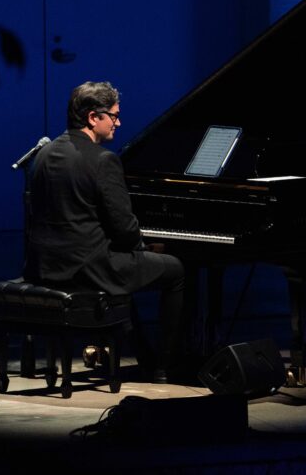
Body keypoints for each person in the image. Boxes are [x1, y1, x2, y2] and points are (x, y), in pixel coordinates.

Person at [24, 81, 186, 383]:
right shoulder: (103, 160)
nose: (119, 122)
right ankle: (166, 364)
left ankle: (146, 355)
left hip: (45, 266)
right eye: (113, 115)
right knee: (174, 270)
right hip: (89, 269)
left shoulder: (44, 155)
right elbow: (124, 228)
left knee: (133, 268)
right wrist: (144, 246)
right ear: (92, 117)